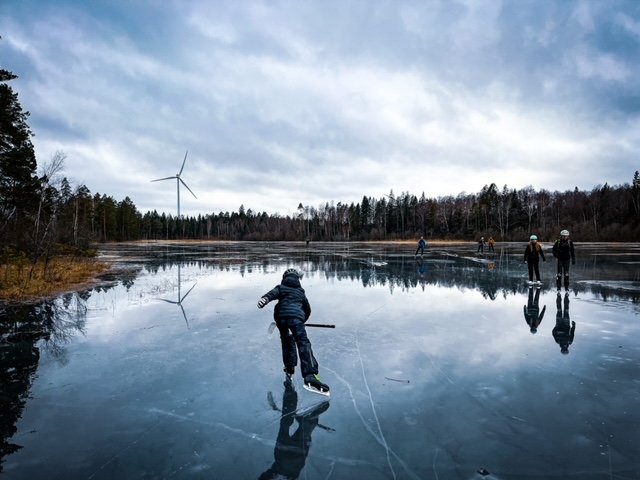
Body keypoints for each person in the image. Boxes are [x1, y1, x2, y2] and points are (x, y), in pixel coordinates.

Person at [258, 268, 330, 396]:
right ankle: (310, 375)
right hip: (296, 320)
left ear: (284, 278)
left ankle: (289, 367)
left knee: (286, 342)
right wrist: (302, 319)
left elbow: (270, 295)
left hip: (280, 318)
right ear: (297, 279)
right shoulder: (300, 292)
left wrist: (264, 300)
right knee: (303, 343)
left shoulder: (280, 288)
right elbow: (307, 309)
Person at [259, 381, 330, 479]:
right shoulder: (287, 474)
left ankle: (309, 418)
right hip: (285, 454)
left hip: (294, 455)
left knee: (301, 429)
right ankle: (291, 393)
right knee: (286, 422)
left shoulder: (292, 475)